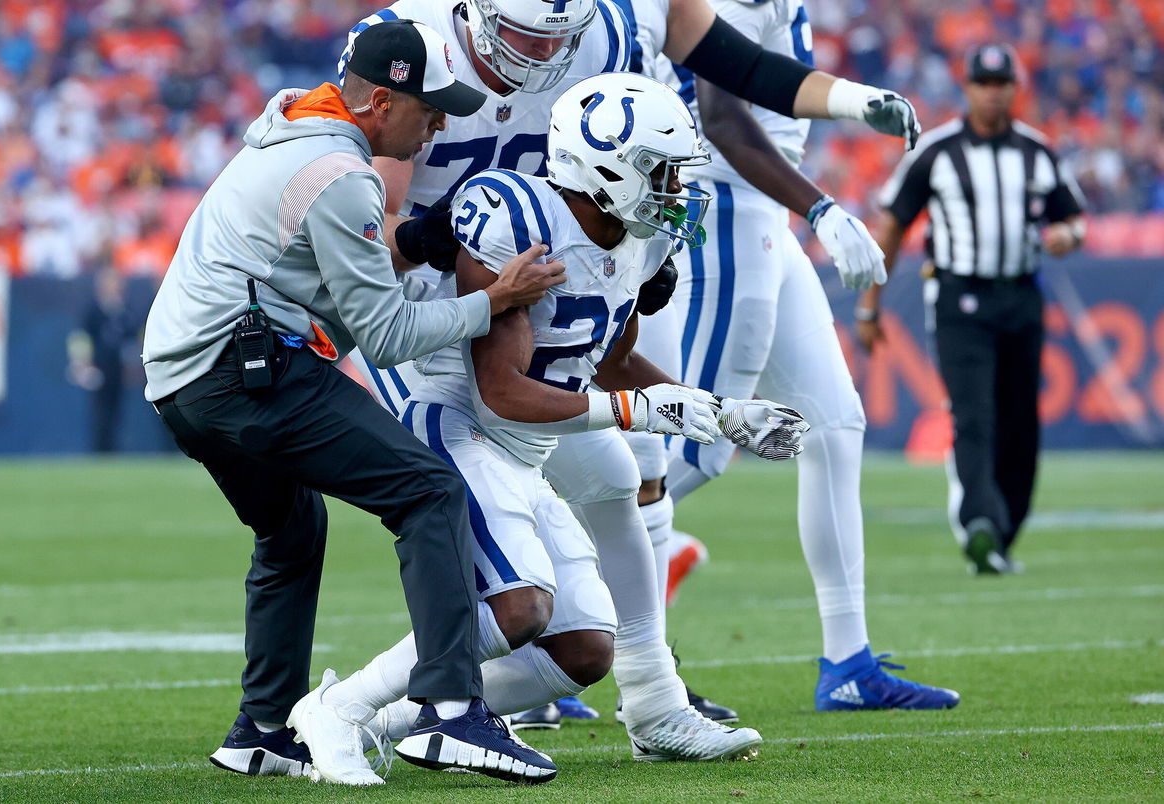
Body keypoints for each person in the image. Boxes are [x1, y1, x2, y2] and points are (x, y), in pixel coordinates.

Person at [339, 0, 923, 728]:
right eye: (524, 33)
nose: (542, 53)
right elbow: (366, 234)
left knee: (629, 473)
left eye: (562, 36)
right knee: (513, 541)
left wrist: (850, 100)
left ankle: (651, 698)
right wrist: (450, 238)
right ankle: (369, 706)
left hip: (544, 281)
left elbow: (737, 67)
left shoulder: (613, 26)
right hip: (423, 309)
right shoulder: (411, 44)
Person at [287, 72, 808, 784]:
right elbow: (500, 391)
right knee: (520, 606)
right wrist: (642, 412)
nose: (674, 191)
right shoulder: (516, 217)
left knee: (585, 651)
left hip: (524, 442)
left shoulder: (641, 239)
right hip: (460, 417)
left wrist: (720, 414)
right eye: (659, 173)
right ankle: (340, 707)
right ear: (603, 167)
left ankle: (387, 720)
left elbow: (608, 360)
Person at [142, 20, 565, 785]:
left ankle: (264, 730)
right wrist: (495, 298)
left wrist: (423, 241)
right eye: (428, 106)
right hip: (245, 368)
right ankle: (449, 710)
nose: (439, 122)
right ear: (376, 100)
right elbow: (390, 332)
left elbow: (320, 264)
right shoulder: (341, 170)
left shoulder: (291, 131)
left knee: (292, 530)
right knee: (430, 490)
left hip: (183, 381)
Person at [639, 0, 959, 712]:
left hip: (760, 214)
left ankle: (848, 661)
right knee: (695, 450)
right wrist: (822, 206)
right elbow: (722, 119)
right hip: (722, 207)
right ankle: (552, 620)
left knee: (835, 424)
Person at [858, 43, 1086, 575]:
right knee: (974, 414)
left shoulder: (1038, 151)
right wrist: (871, 305)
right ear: (968, 89)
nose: (992, 91)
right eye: (982, 82)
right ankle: (979, 521)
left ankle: (1003, 531)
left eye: (1001, 82)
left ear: (1014, 87)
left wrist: (1067, 237)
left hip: (1021, 297)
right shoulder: (937, 152)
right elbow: (892, 224)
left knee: (1021, 423)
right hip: (960, 297)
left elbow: (1074, 218)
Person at [68, 267, 142, 453]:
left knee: (118, 410)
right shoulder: (93, 311)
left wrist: (132, 365)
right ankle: (100, 449)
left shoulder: (125, 311)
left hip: (118, 368)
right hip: (99, 368)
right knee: (101, 411)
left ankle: (113, 449)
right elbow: (82, 337)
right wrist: (83, 363)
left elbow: (132, 340)